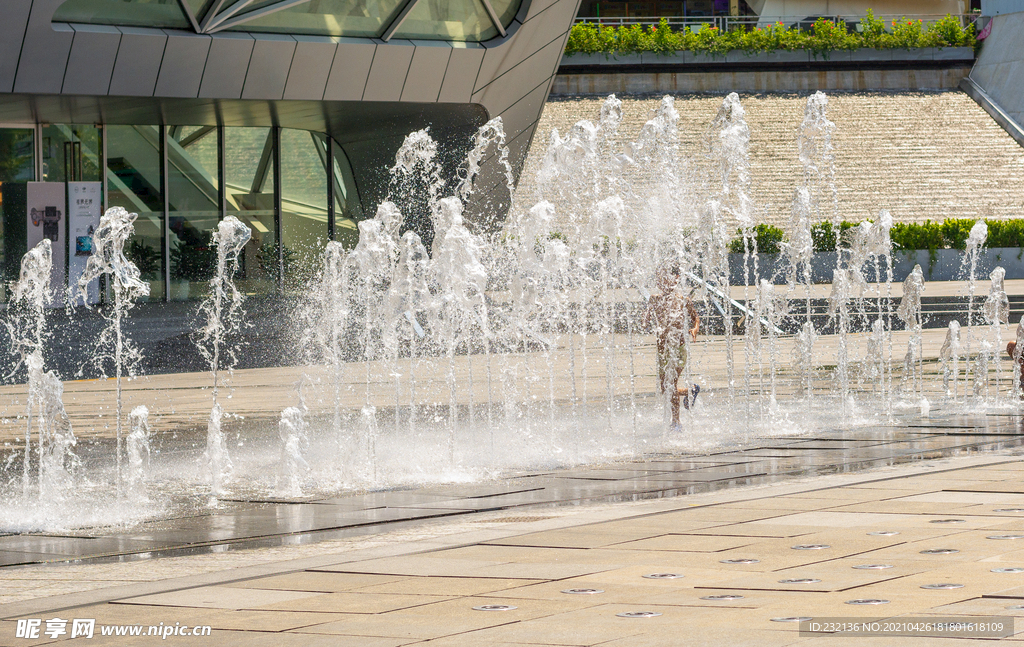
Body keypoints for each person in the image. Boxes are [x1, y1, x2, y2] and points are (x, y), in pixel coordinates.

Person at [644, 264, 701, 429]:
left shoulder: (683, 300)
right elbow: (648, 315)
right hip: (662, 349)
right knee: (665, 388)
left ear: (675, 280)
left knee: (670, 384)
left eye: (667, 278)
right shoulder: (654, 298)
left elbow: (695, 317)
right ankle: (690, 391)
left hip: (678, 348)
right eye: (660, 279)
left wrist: (695, 329)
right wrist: (645, 321)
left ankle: (676, 422)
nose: (663, 282)